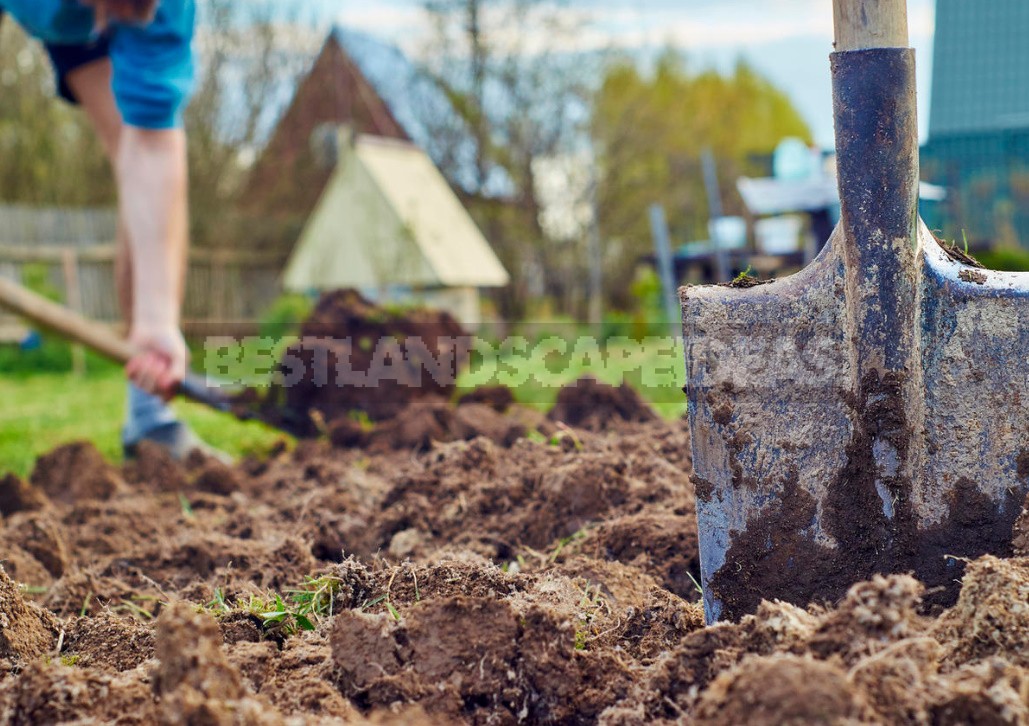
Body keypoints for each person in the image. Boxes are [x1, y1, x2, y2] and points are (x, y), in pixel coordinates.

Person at [0, 0, 218, 460]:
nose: (104, 24)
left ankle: (149, 419)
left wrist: (156, 321)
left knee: (134, 149)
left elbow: (152, 143)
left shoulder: (164, 8)